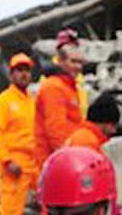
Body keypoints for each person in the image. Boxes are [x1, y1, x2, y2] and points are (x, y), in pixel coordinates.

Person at [0, 52, 39, 215]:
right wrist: (7, 160)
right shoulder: (3, 101)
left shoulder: (31, 101)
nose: (24, 74)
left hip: (35, 162)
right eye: (19, 70)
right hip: (14, 164)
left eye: (26, 70)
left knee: (51, 201)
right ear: (11, 75)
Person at [34, 38, 86, 167]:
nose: (78, 66)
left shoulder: (69, 87)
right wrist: (68, 160)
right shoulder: (53, 87)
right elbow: (56, 130)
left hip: (68, 154)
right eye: (73, 62)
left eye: (80, 62)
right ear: (61, 61)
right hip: (57, 160)